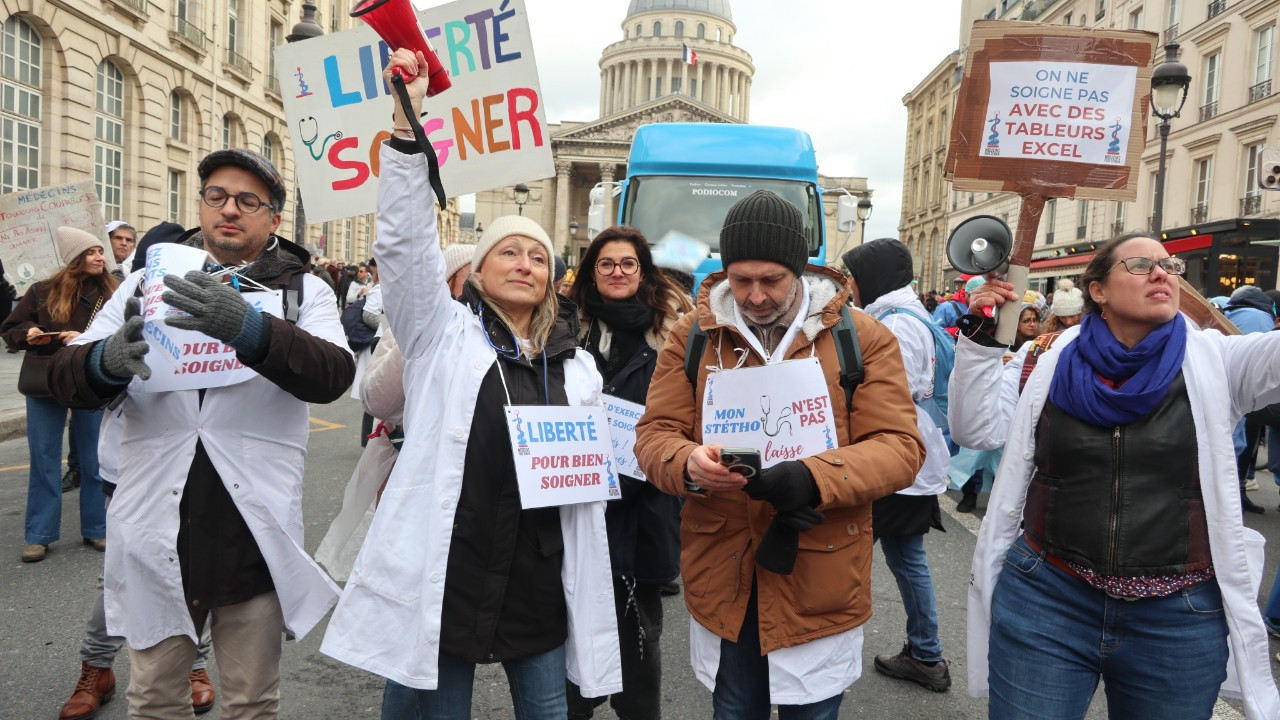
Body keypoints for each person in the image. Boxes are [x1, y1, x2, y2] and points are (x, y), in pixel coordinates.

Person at [321, 48, 621, 718]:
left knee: (547, 711)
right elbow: (402, 247)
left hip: (536, 571)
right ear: (478, 273)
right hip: (449, 564)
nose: (522, 263)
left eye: (536, 255)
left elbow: (595, 468)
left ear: (552, 278)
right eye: (506, 251)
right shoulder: (441, 332)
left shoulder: (577, 365)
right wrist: (407, 129)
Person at [47, 147, 354, 718]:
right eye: (216, 196)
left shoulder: (302, 291)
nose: (229, 210)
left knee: (252, 701)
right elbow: (61, 376)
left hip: (250, 537)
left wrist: (251, 328)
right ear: (201, 206)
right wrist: (104, 362)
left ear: (273, 218)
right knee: (155, 699)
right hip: (158, 526)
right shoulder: (143, 281)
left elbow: (334, 373)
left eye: (247, 200)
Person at [953, 233, 1280, 719]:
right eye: (1142, 264)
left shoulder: (1219, 360)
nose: (1162, 273)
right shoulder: (1043, 357)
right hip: (1049, 598)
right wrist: (980, 344)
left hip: (1178, 615)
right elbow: (974, 428)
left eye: (1170, 266)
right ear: (1098, 289)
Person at [634, 189, 925, 718]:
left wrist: (815, 477)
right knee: (734, 707)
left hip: (820, 570)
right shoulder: (692, 336)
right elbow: (655, 434)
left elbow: (901, 448)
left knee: (812, 709)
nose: (755, 295)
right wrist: (687, 466)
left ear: (800, 268)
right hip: (724, 568)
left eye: (771, 280)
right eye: (741, 280)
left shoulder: (862, 338)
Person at [564, 225, 692, 719]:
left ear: (644, 272)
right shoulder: (563, 327)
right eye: (606, 264)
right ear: (591, 273)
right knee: (568, 632)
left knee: (638, 639)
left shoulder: (675, 335)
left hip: (645, 506)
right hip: (575, 505)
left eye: (628, 264)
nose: (617, 272)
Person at [842, 238, 953, 693]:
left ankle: (828, 650)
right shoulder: (906, 315)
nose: (849, 284)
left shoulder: (895, 324)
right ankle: (925, 653)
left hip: (895, 462)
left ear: (873, 276)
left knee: (842, 554)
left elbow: (891, 395)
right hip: (912, 461)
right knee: (907, 559)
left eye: (853, 275)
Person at [2, 227, 117, 562]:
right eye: (93, 252)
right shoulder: (40, 291)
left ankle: (97, 529)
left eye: (101, 252)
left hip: (88, 377)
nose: (100, 257)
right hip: (45, 380)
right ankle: (39, 535)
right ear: (74, 259)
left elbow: (125, 330)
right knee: (44, 460)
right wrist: (30, 333)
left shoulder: (112, 291)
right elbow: (10, 329)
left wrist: (81, 337)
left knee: (96, 460)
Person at [350, 257, 383, 445]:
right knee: (375, 391)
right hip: (377, 344)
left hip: (381, 343)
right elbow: (369, 315)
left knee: (377, 391)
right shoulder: (379, 290)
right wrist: (391, 327)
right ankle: (369, 439)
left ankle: (371, 439)